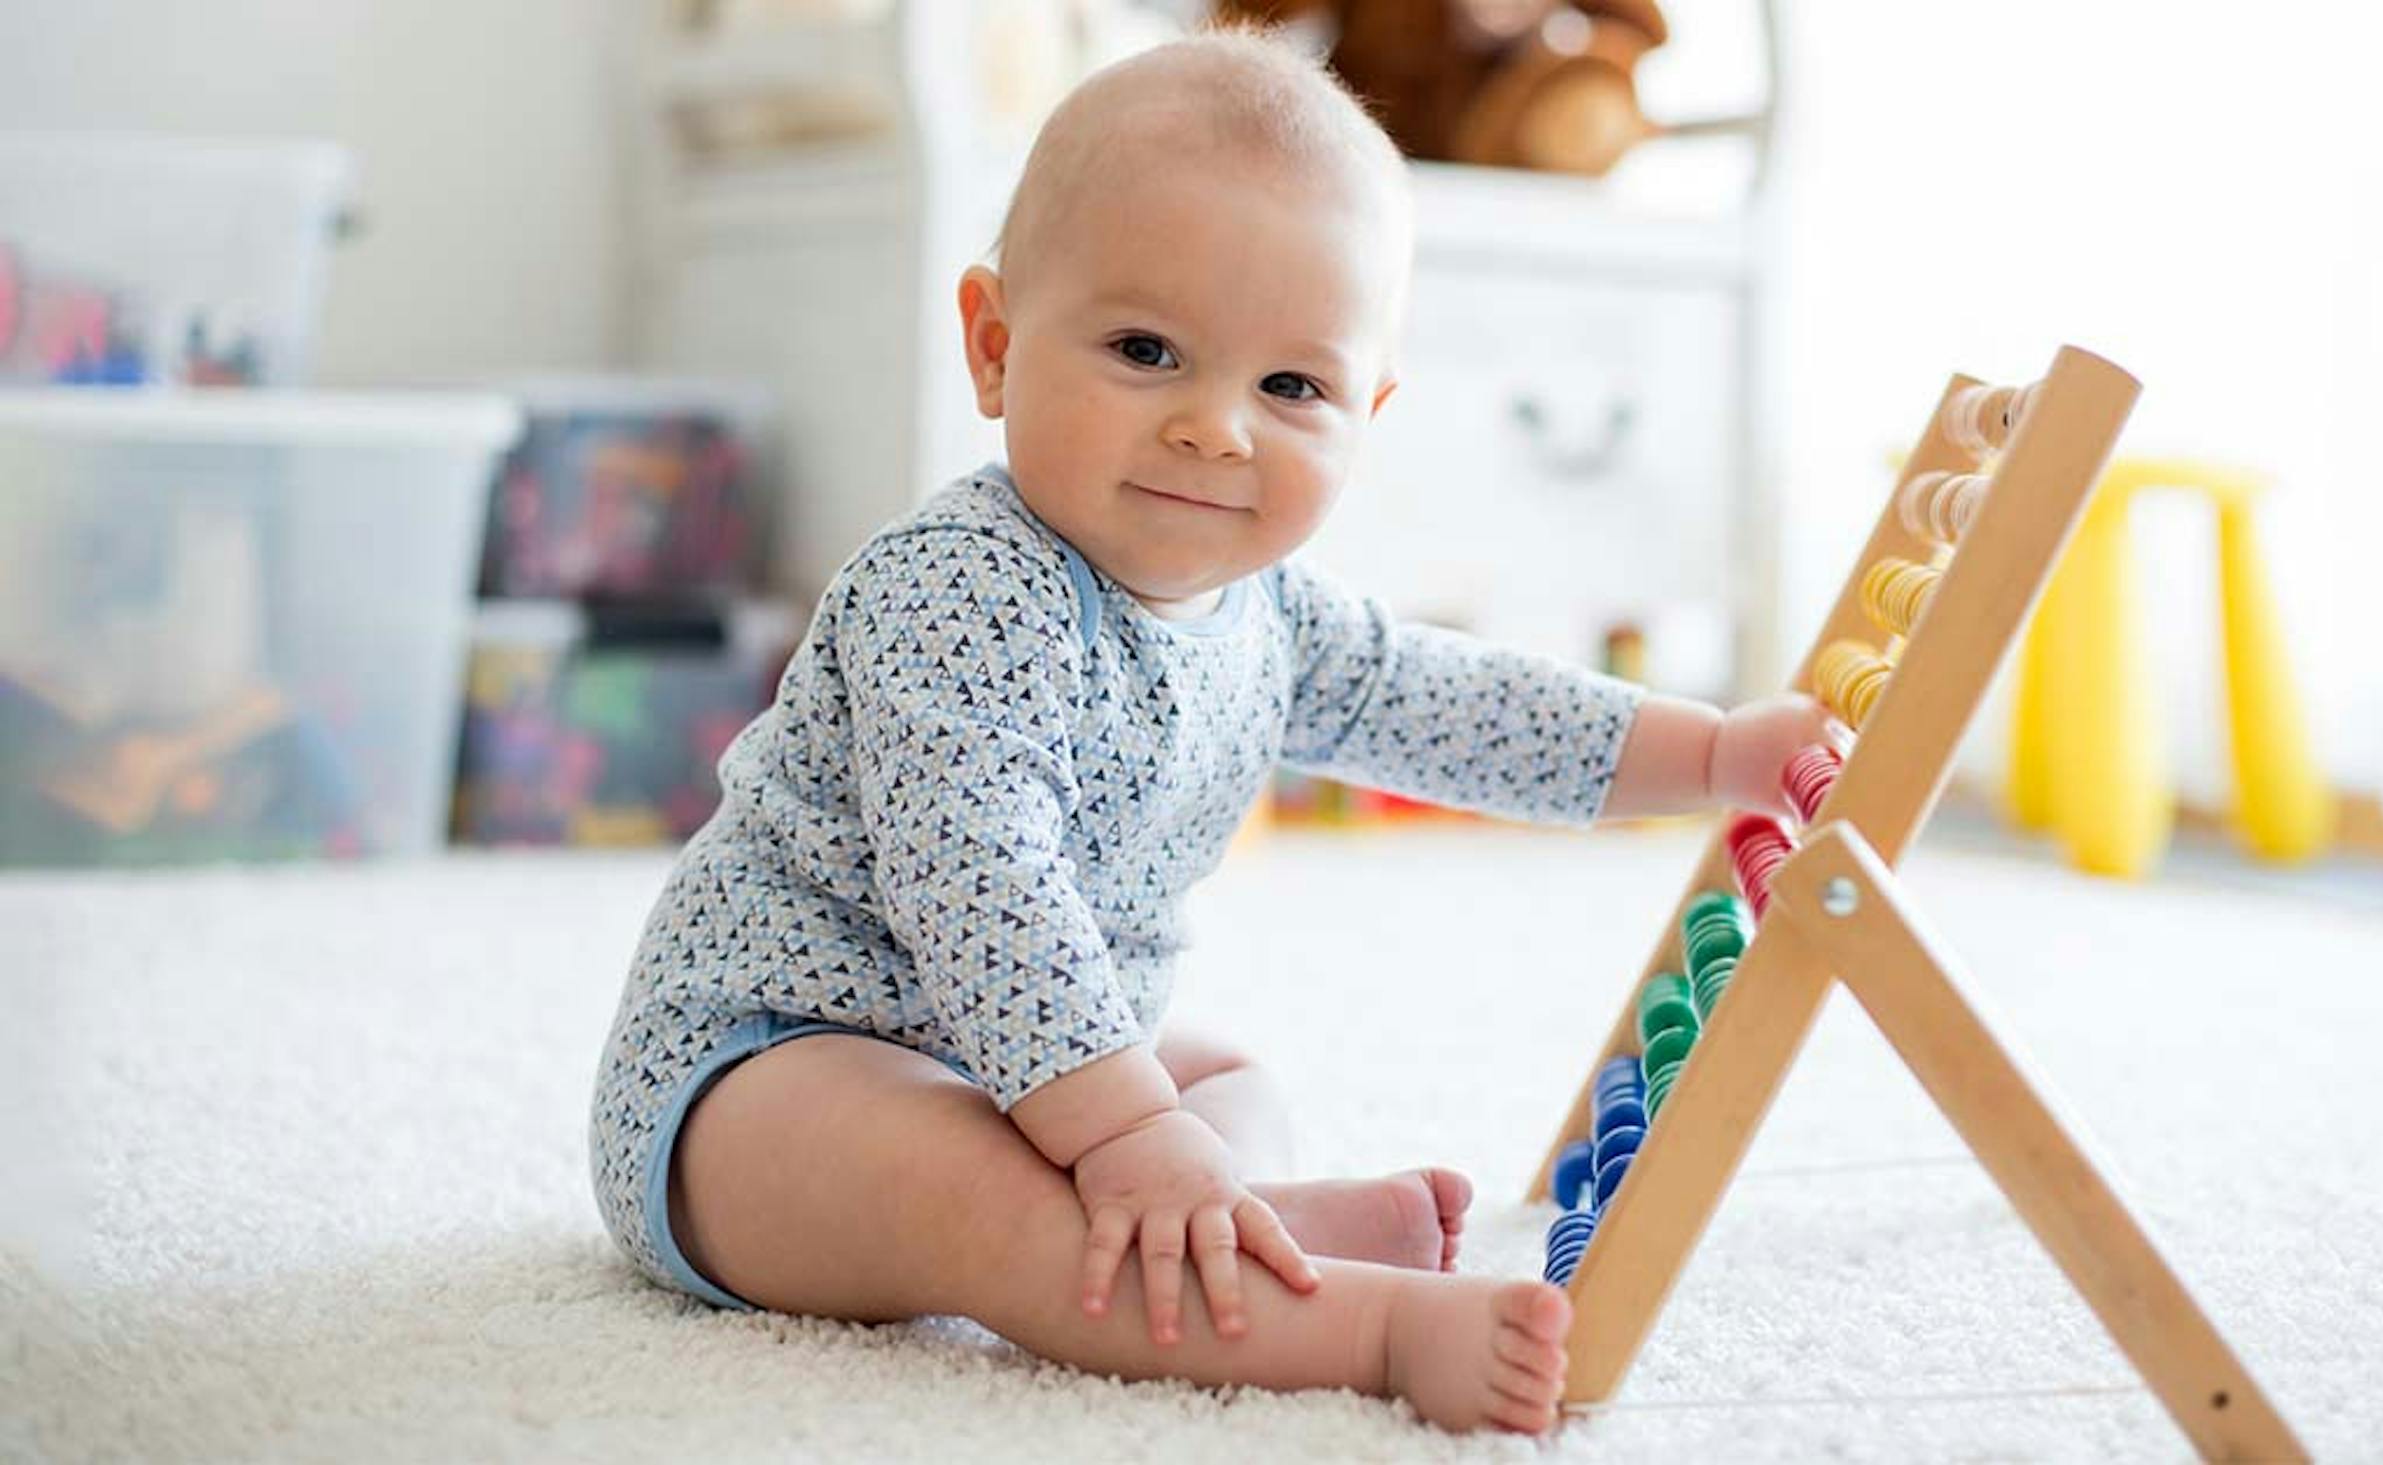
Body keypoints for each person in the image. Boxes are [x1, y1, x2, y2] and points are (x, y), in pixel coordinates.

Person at [586, 28, 1836, 1434]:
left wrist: (1714, 753)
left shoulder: (1272, 613)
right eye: (1145, 350)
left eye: (1289, 388)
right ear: (995, 346)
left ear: (1368, 410)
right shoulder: (956, 590)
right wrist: (1122, 1132)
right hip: (760, 1077)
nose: (1215, 429)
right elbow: (978, 885)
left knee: (1227, 1073)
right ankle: (1361, 1328)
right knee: (996, 1215)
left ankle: (1236, 1222)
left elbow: (1465, 709)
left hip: (1030, 1066)